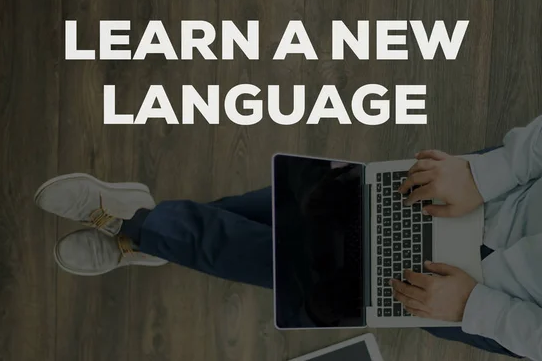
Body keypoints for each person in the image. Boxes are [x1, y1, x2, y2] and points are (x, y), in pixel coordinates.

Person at [35, 116, 542, 360]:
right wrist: (490, 173)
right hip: (510, 192)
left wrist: (481, 311)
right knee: (327, 209)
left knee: (319, 268)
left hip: (501, 307)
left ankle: (143, 227)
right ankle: (144, 230)